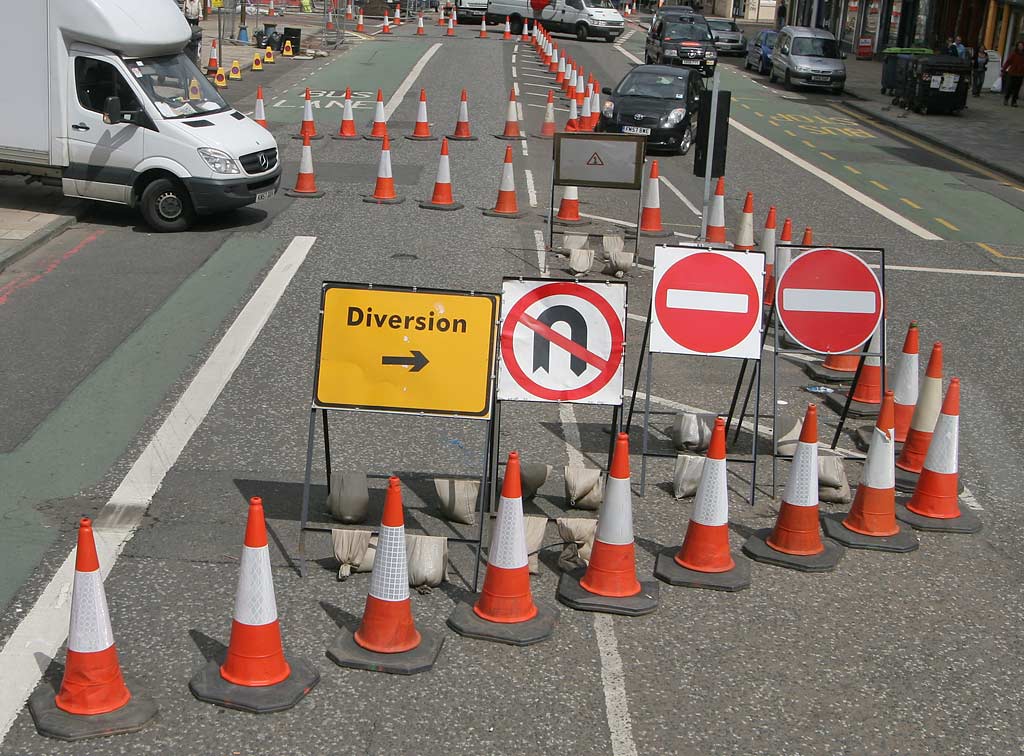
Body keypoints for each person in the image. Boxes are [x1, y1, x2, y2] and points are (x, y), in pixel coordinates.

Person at [1002, 40, 1024, 106]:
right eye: (1019, 46)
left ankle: (1014, 102)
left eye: (1022, 46)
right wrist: (1003, 70)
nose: (1021, 47)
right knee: (1009, 87)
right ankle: (1006, 99)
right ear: (1017, 47)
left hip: (1020, 74)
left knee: (1017, 89)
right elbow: (1008, 62)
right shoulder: (1014, 54)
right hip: (1012, 73)